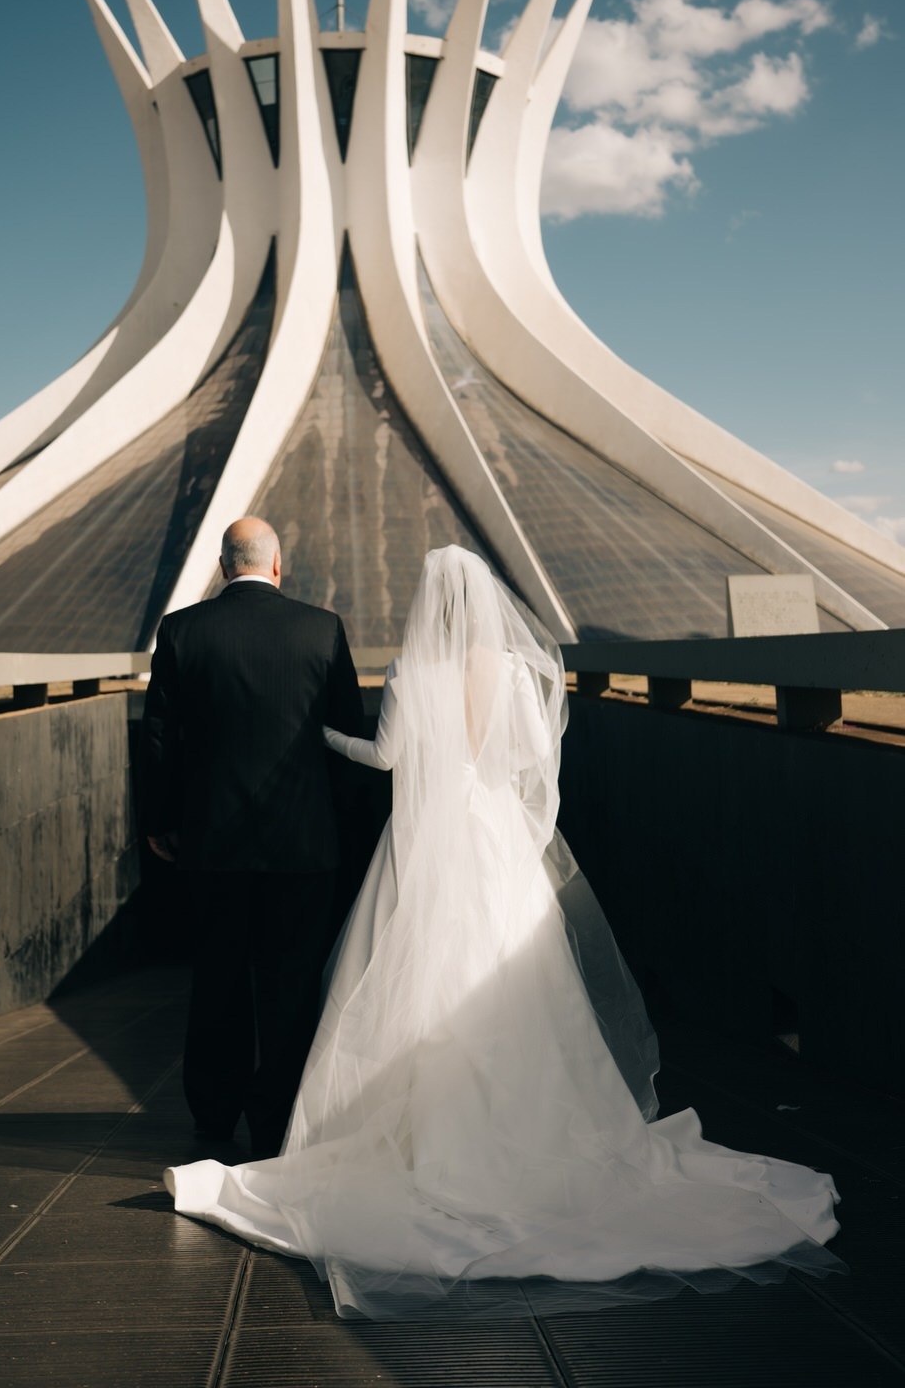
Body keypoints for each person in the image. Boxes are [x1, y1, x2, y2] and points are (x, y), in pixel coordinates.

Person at [164, 545, 842, 1320]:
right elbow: (532, 761)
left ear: (431, 605)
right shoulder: (517, 673)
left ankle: (429, 1136)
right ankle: (534, 1132)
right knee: (517, 983)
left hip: (429, 844)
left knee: (416, 977)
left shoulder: (414, 673)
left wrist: (321, 737)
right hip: (495, 839)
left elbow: (384, 757)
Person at [140, 516, 365, 1159]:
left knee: (218, 976)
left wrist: (159, 821)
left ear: (222, 565)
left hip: (212, 843)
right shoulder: (322, 629)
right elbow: (347, 734)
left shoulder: (181, 630)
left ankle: (215, 1111)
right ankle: (280, 1118)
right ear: (277, 565)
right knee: (291, 983)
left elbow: (158, 738)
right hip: (303, 844)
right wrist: (340, 825)